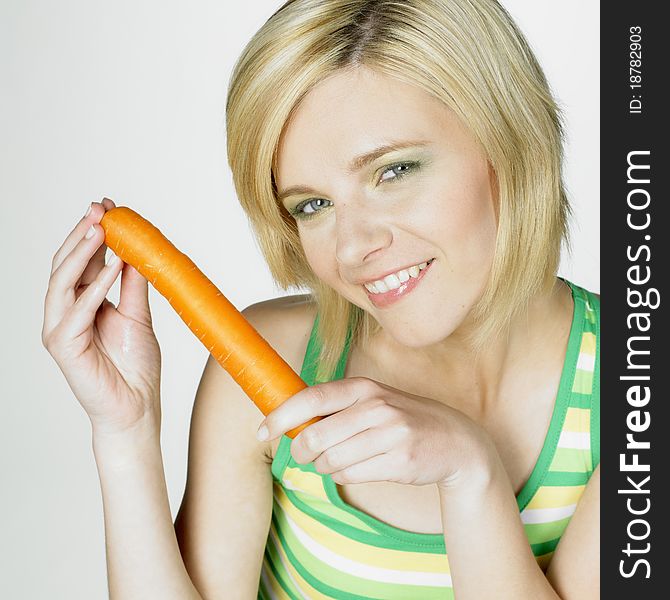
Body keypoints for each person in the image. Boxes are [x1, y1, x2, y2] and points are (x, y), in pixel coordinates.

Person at [42, 0, 599, 598]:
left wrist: (471, 474)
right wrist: (125, 432)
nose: (354, 246)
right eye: (313, 205)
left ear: (506, 141)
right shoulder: (267, 363)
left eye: (393, 171)